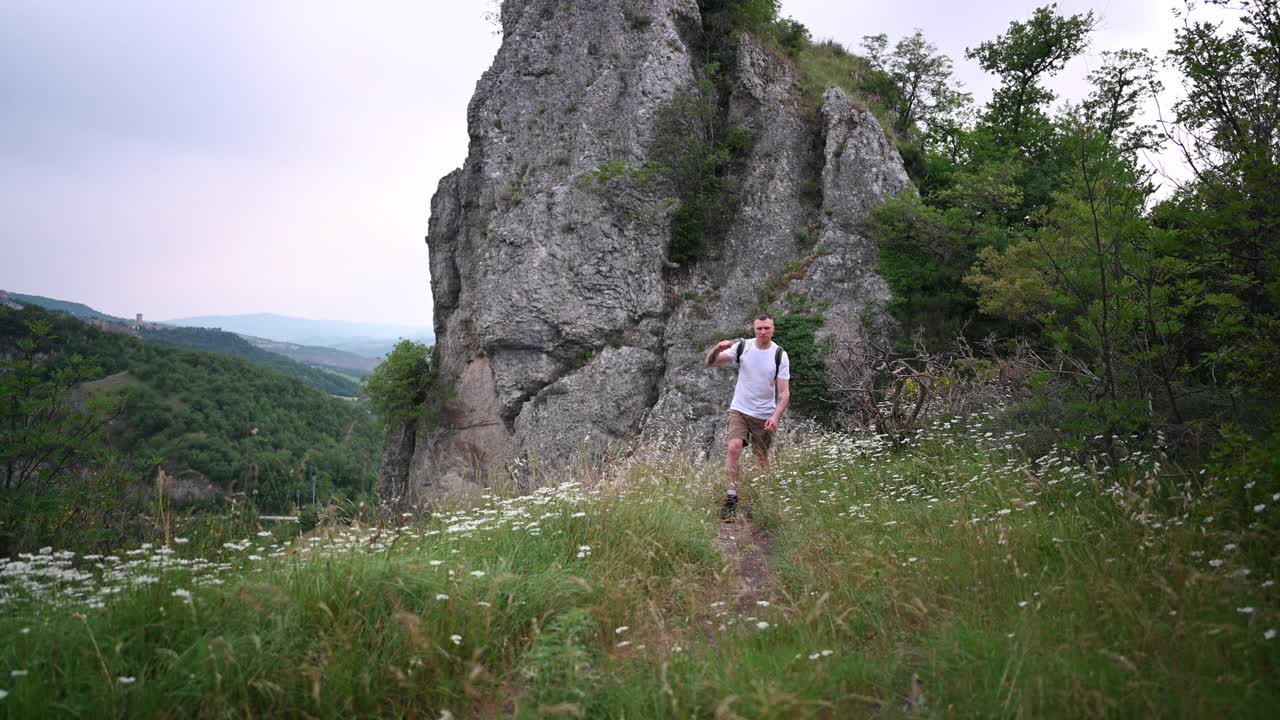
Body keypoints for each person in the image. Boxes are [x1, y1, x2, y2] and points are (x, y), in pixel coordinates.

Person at [704, 313, 790, 521]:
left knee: (761, 458)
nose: (762, 332)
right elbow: (711, 363)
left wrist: (776, 417)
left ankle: (760, 500)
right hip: (740, 409)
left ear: (773, 329)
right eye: (759, 328)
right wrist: (717, 348)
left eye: (766, 328)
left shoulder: (780, 355)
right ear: (754, 329)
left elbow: (784, 393)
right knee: (733, 447)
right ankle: (731, 498)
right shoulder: (743, 347)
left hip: (764, 414)